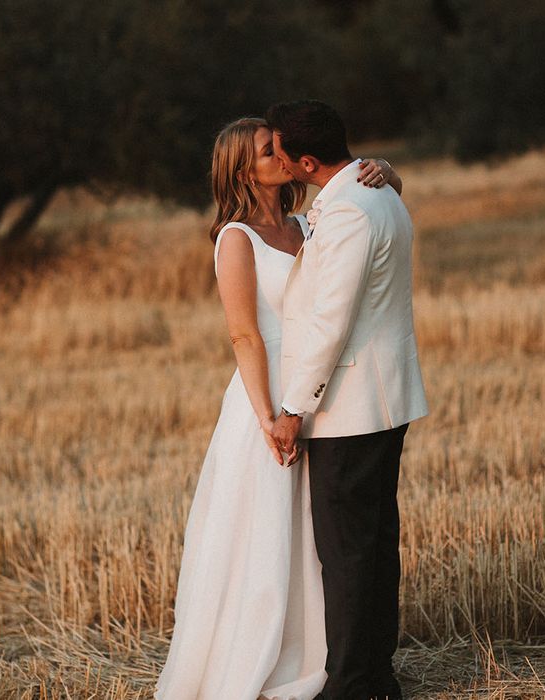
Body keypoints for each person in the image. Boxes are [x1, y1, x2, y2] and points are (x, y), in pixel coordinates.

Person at [153, 115, 403, 700]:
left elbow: (362, 236)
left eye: (284, 148)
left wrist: (387, 170)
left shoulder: (306, 221)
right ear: (244, 169)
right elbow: (245, 336)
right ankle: (264, 658)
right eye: (270, 151)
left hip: (321, 398)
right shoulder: (235, 238)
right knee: (267, 535)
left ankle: (326, 659)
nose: (284, 157)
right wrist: (268, 417)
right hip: (267, 403)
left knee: (323, 536)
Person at [268, 100, 429, 700]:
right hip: (379, 401)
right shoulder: (372, 190)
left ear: (307, 161)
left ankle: (352, 684)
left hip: (352, 406)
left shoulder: (350, 212)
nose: (278, 161)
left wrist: (292, 409)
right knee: (371, 543)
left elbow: (330, 323)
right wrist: (386, 167)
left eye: (281, 153)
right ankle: (375, 675)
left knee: (348, 553)